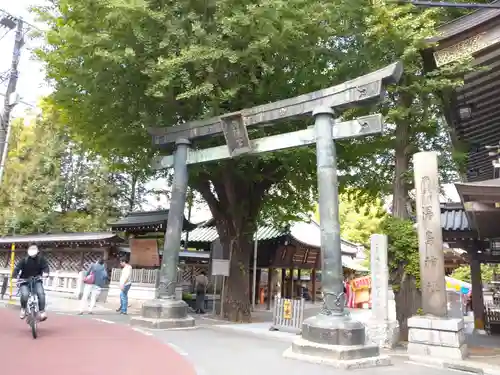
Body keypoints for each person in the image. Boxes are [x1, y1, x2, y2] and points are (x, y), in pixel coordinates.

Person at [14, 244, 49, 321]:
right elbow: (17, 268)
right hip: (24, 281)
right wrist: (14, 276)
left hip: (36, 280)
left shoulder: (41, 259)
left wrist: (46, 273)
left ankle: (42, 311)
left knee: (41, 293)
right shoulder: (24, 260)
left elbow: (45, 267)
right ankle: (23, 309)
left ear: (37, 252)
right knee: (24, 295)